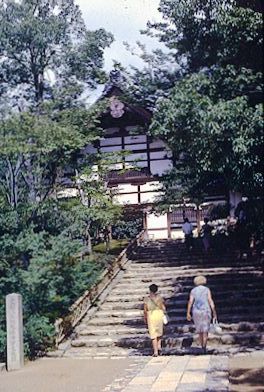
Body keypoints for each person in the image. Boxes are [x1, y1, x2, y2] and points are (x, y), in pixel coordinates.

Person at [186, 275, 217, 353]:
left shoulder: (193, 291)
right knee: (205, 329)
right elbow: (210, 301)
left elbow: (190, 301)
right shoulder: (206, 290)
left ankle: (201, 345)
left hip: (196, 311)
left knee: (199, 329)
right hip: (206, 310)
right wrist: (214, 312)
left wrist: (188, 312)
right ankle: (204, 346)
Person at [144, 284, 166, 356]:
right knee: (159, 332)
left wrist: (145, 318)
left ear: (150, 290)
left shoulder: (147, 299)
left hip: (151, 315)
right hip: (159, 313)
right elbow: (163, 307)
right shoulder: (159, 298)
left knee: (153, 333)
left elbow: (145, 309)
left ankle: (155, 351)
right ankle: (159, 347)